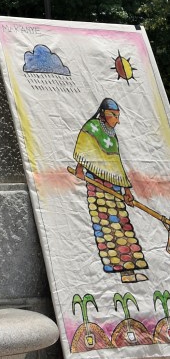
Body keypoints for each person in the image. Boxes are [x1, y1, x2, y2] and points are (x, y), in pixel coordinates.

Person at [72, 98, 148, 283]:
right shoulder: (92, 127)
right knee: (108, 227)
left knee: (122, 225)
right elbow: (83, 148)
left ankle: (131, 269)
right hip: (97, 185)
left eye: (118, 116)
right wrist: (80, 169)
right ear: (104, 113)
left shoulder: (112, 136)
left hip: (113, 186)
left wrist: (126, 191)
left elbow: (116, 164)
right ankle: (123, 273)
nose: (117, 120)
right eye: (114, 115)